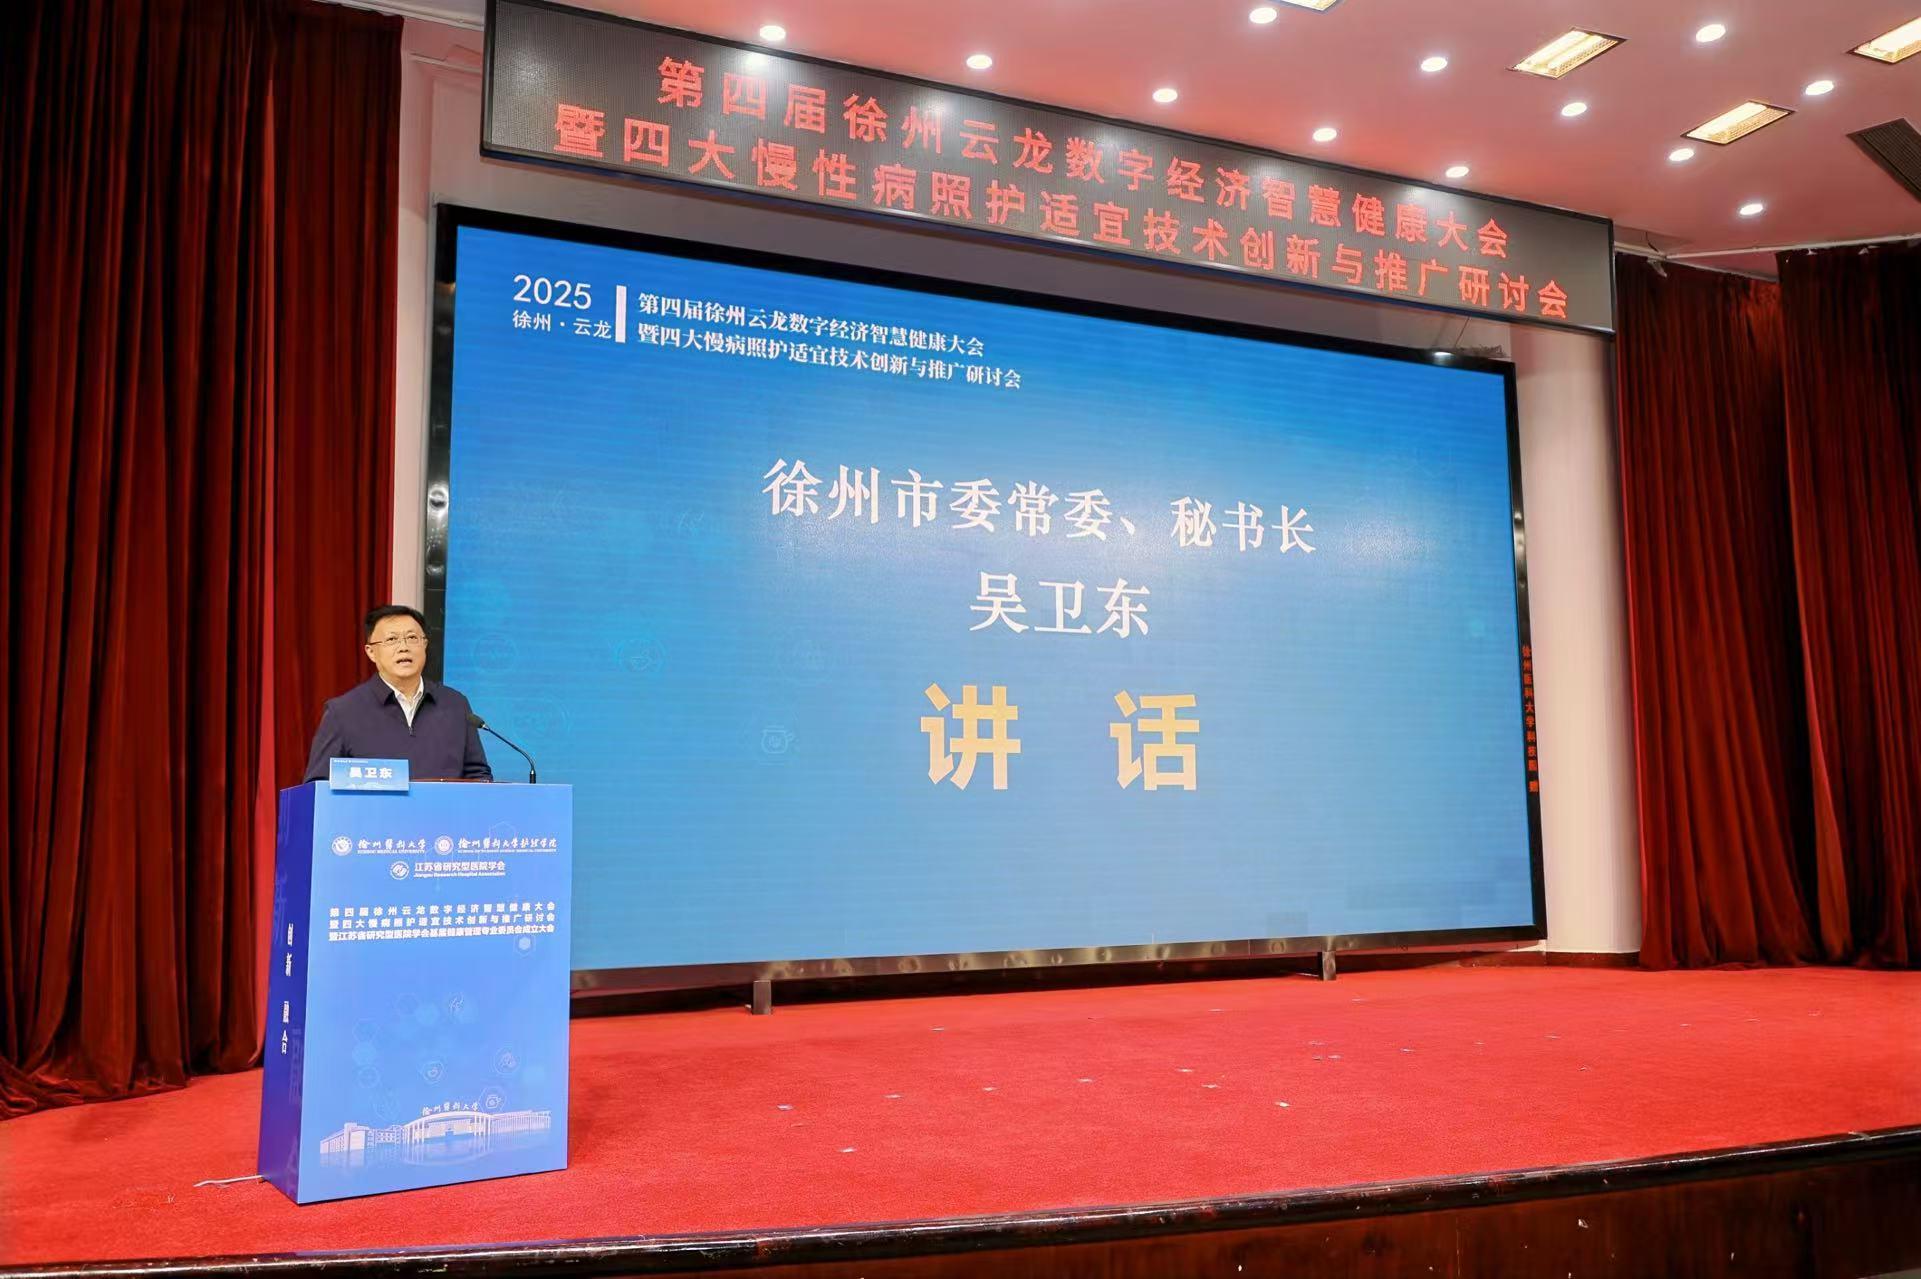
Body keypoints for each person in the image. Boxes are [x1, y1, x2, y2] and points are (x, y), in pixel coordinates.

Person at [302, 605, 493, 782]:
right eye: (392, 640)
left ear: (425, 645)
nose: (404, 647)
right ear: (371, 652)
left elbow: (478, 775)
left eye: (412, 638)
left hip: (444, 809)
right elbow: (319, 785)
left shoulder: (455, 704)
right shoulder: (343, 712)